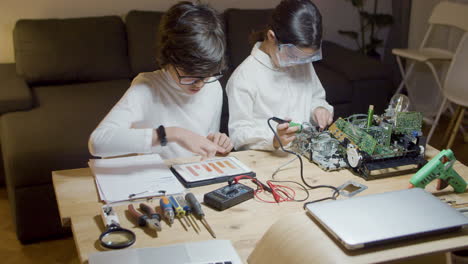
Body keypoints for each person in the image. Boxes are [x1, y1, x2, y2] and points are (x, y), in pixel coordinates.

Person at [89, 1, 233, 160]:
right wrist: (173, 134)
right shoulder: (147, 88)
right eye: (189, 74)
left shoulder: (213, 88)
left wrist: (216, 142)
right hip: (156, 179)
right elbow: (98, 142)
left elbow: (205, 147)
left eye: (207, 75)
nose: (199, 83)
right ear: (169, 57)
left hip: (193, 173)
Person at [227, 0, 333, 151]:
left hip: (304, 154)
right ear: (271, 37)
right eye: (293, 56)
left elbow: (315, 97)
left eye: (305, 58)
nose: (298, 63)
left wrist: (318, 109)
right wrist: (273, 139)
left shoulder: (303, 63)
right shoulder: (243, 78)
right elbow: (238, 135)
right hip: (265, 161)